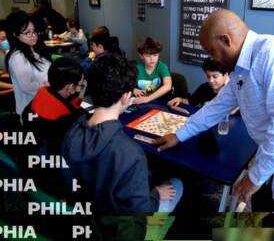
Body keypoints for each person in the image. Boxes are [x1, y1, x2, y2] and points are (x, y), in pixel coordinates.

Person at [154, 9, 274, 212]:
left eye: (211, 50)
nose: (211, 58)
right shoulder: (241, 69)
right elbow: (215, 108)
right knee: (261, 208)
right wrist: (179, 135)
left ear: (226, 40)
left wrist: (254, 177)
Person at [62, 54, 183, 213]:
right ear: (127, 96)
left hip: (81, 214)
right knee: (177, 184)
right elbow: (139, 213)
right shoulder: (131, 154)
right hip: (115, 230)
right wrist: (154, 195)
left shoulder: (71, 131)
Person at [22, 57, 86, 156]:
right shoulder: (62, 120)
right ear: (69, 87)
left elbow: (75, 102)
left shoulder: (45, 92)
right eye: (80, 85)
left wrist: (92, 108)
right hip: (47, 158)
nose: (80, 89)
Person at [6, 11, 51, 116]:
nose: (33, 35)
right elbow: (27, 87)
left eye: (34, 31)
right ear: (15, 34)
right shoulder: (17, 57)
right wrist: (50, 86)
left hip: (46, 103)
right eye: (27, 33)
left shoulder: (37, 49)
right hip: (31, 110)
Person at [133, 37, 172, 105]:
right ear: (141, 56)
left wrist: (148, 99)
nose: (152, 59)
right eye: (148, 56)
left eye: (155, 55)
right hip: (141, 102)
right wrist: (132, 90)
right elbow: (122, 84)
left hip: (159, 102)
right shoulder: (135, 67)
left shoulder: (162, 67)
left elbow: (168, 86)